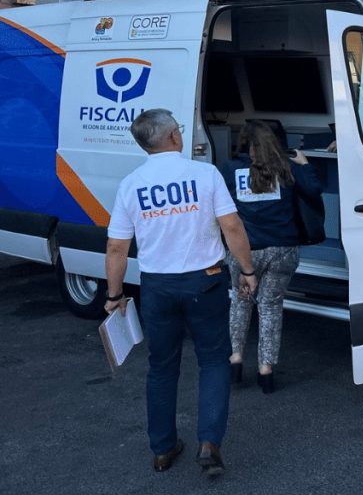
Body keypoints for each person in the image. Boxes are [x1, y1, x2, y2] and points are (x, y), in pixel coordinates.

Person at [105, 108, 257, 477]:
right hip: (205, 281)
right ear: (174, 137)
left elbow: (116, 248)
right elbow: (232, 227)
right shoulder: (205, 174)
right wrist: (247, 270)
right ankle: (209, 443)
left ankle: (162, 449)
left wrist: (114, 295)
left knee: (161, 367)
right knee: (214, 360)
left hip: (157, 287)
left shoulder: (130, 184)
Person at [220, 121, 324, 394]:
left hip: (245, 251)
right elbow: (314, 189)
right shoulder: (286, 167)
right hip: (283, 251)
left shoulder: (229, 170)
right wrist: (304, 163)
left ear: (243, 142)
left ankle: (235, 360)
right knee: (270, 307)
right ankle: (266, 370)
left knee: (241, 302)